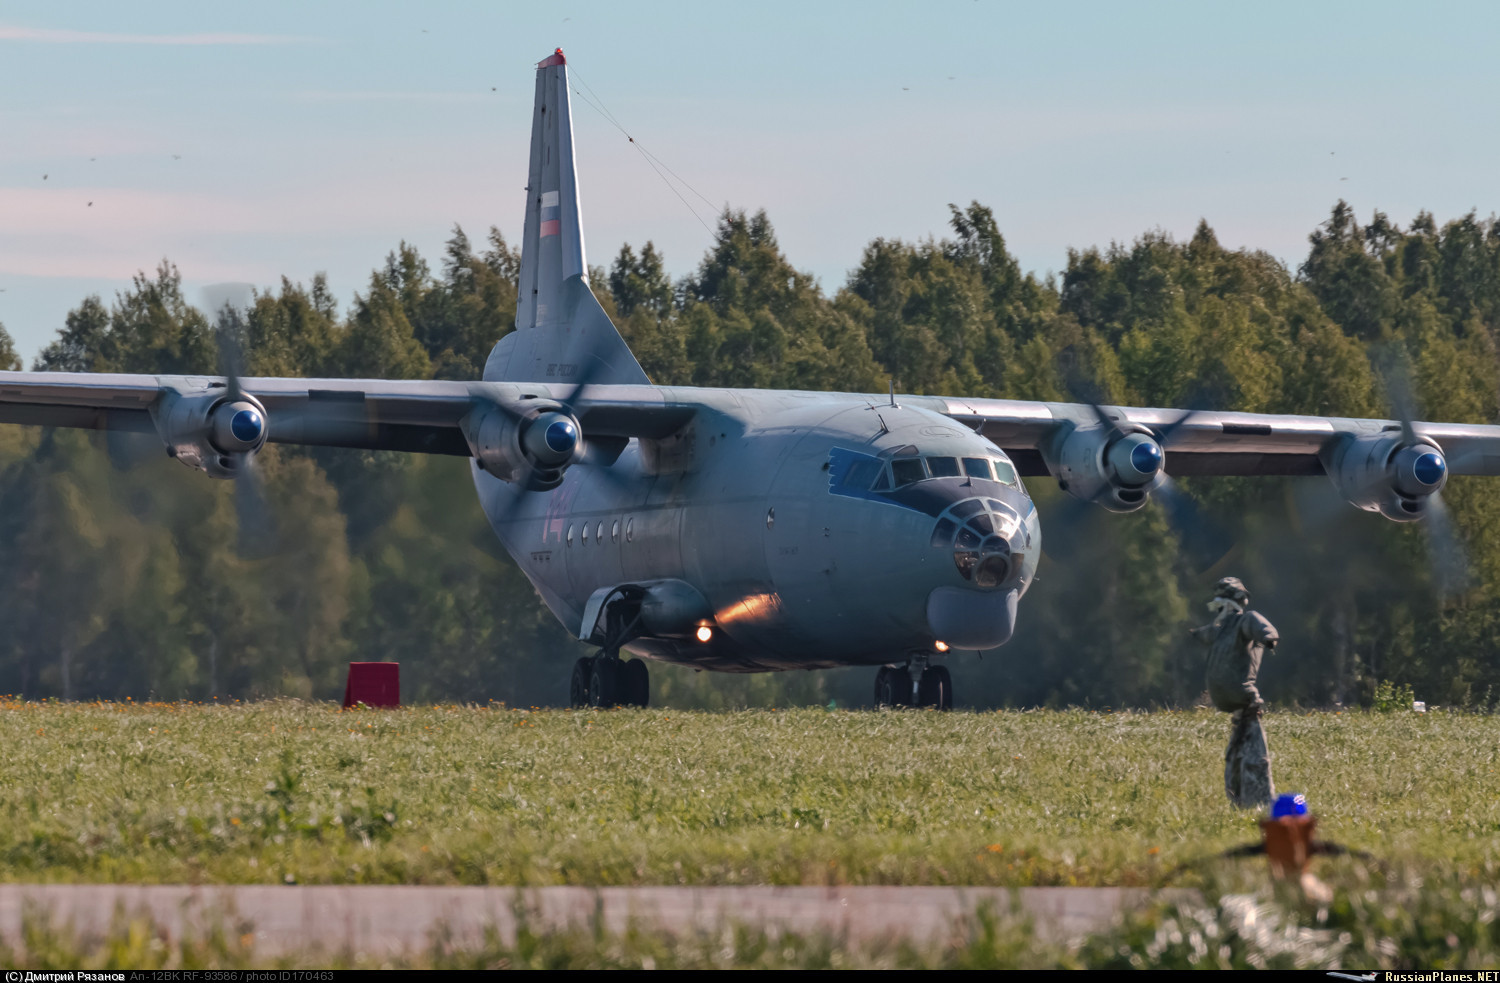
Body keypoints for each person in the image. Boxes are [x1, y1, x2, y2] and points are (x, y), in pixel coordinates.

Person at [1190, 576, 1279, 808]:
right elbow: (1206, 634)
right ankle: (1239, 804)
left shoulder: (1245, 621)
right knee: (1234, 762)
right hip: (1237, 714)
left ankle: (1260, 806)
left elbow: (1264, 628)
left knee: (1254, 761)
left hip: (1248, 709)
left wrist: (1268, 639)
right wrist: (1194, 633)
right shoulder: (1221, 629)